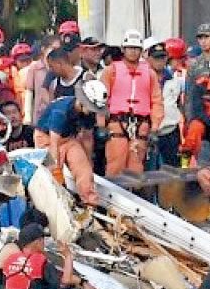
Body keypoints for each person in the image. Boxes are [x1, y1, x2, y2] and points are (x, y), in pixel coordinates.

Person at [100, 30, 164, 177]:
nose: (133, 52)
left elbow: (157, 101)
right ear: (123, 49)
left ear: (141, 51)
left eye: (136, 48)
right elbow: (101, 100)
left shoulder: (150, 73)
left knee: (136, 168)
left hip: (141, 126)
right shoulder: (111, 71)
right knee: (115, 165)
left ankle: (134, 196)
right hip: (116, 124)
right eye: (130, 48)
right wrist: (101, 125)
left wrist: (154, 128)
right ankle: (113, 196)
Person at [38, 80, 108, 206]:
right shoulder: (61, 111)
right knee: (52, 173)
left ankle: (90, 202)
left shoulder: (88, 113)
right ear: (83, 101)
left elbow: (87, 138)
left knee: (83, 169)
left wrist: (88, 162)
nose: (94, 112)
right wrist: (56, 169)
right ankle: (55, 203)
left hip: (69, 138)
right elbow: (54, 143)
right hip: (47, 138)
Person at [149, 43, 183, 168]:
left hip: (170, 131)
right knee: (149, 172)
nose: (159, 61)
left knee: (172, 169)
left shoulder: (175, 81)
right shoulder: (144, 79)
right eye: (156, 57)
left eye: (162, 57)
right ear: (149, 59)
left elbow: (180, 104)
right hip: (149, 132)